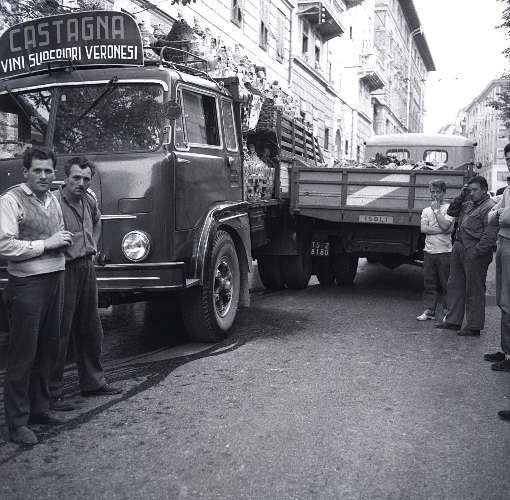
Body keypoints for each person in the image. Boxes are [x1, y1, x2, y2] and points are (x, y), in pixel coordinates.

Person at [0, 146, 73, 445]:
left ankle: (40, 409)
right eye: (38, 170)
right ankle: (17, 423)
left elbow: (60, 232)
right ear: (26, 172)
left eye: (48, 171)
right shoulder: (11, 200)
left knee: (48, 349)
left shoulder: (52, 198)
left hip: (56, 278)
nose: (44, 176)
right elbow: (4, 245)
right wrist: (47, 244)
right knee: (23, 354)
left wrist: (63, 241)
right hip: (27, 284)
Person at [49, 156, 121, 410]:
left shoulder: (88, 199)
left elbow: (98, 220)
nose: (81, 183)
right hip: (63, 269)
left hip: (86, 268)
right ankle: (52, 393)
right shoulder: (53, 202)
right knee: (59, 331)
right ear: (66, 177)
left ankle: (93, 383)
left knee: (90, 328)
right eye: (76, 178)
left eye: (86, 179)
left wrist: (92, 245)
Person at [436, 175, 497, 336]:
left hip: (474, 250)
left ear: (484, 190)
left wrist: (477, 252)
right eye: (469, 190)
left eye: (475, 190)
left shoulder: (490, 207)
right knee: (454, 285)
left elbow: (490, 235)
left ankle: (473, 326)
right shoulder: (469, 203)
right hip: (459, 246)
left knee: (474, 289)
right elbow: (451, 211)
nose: (472, 193)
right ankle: (453, 321)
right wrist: (462, 195)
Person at [485, 144, 510, 380]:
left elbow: (503, 215)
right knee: (503, 298)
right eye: (508, 158)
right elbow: (492, 216)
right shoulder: (509, 187)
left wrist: (501, 213)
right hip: (503, 241)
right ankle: (506, 350)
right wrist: (501, 213)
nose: (509, 163)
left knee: (508, 300)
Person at [416, 180, 454, 321]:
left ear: (444, 193)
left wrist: (437, 211)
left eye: (438, 192)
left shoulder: (449, 208)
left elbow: (448, 228)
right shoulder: (426, 210)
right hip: (429, 251)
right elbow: (423, 229)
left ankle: (447, 312)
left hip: (444, 252)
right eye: (433, 192)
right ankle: (429, 310)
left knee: (446, 283)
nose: (435, 195)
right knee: (429, 283)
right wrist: (442, 228)